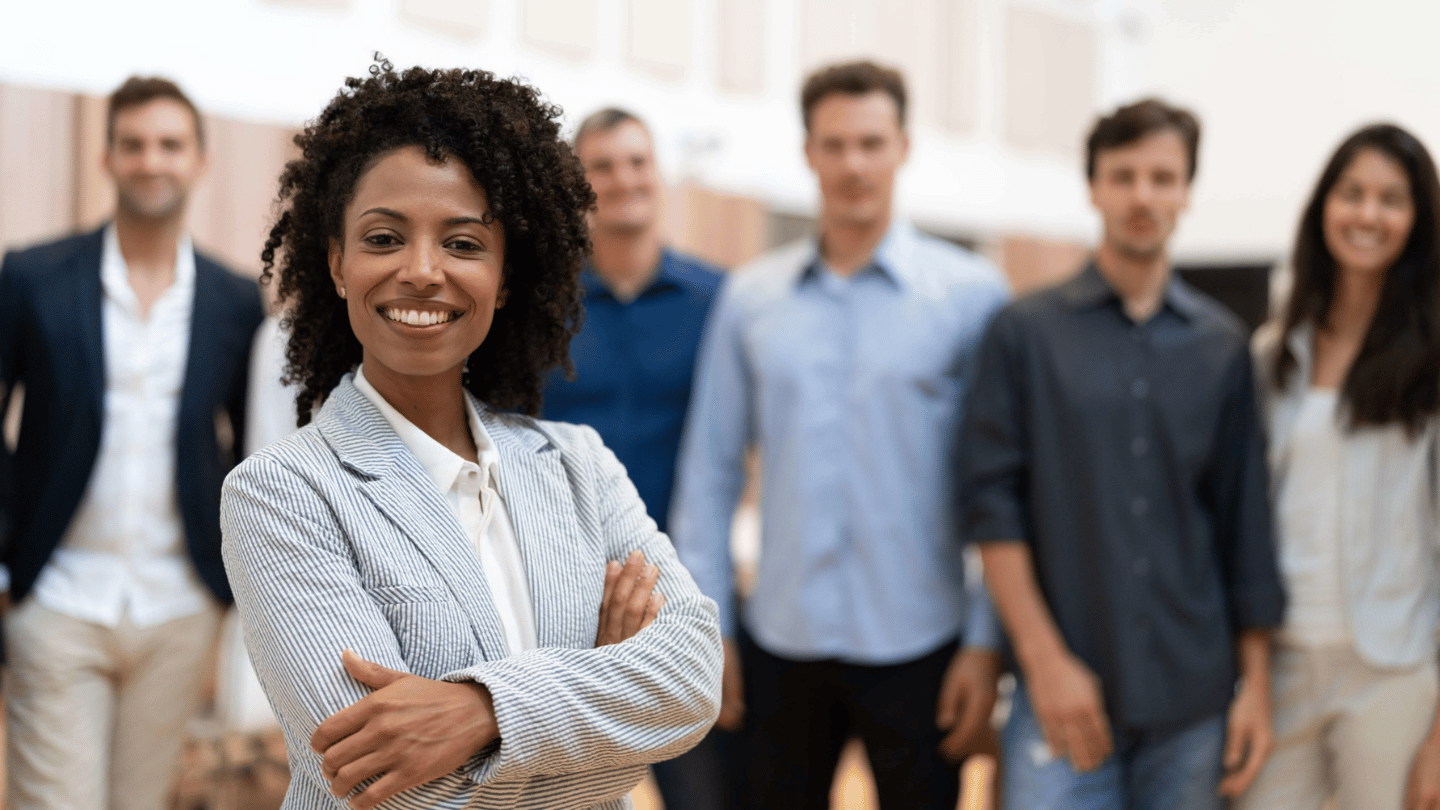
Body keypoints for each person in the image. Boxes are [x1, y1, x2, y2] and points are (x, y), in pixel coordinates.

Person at [220, 60, 723, 810]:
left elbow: (693, 675)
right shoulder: (281, 495)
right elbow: (389, 790)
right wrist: (615, 724)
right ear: (336, 263)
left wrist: (481, 712)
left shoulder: (579, 464)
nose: (423, 272)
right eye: (385, 238)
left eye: (462, 243)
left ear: (506, 275)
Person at [671, 59, 1008, 809]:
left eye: (871, 142)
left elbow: (1002, 489)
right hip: (779, 643)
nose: (854, 163)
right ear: (809, 153)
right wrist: (708, 628)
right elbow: (711, 473)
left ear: (904, 146)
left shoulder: (972, 298)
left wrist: (986, 643)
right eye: (835, 144)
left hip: (923, 643)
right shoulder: (750, 299)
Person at [958, 97, 1285, 810]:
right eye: (1124, 175)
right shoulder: (1023, 334)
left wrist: (1255, 689)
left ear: (1187, 191)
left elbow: (1245, 528)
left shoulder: (1224, 348)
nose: (1144, 195)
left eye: (1163, 178)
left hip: (1193, 704)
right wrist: (1045, 666)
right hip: (1061, 691)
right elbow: (991, 509)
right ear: (1094, 186)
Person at [0, 76, 264, 810]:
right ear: (107, 157)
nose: (153, 160)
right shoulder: (33, 277)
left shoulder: (234, 300)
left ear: (199, 161)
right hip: (56, 596)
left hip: (179, 607)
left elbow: (251, 450)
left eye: (170, 145)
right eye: (135, 144)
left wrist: (231, 590)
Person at [1238, 123, 1440, 810]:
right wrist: (1251, 671)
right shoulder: (1272, 355)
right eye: (1351, 193)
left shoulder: (1432, 364)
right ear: (1323, 205)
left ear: (1417, 220)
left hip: (1392, 669)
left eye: (1391, 199)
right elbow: (1247, 518)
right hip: (1282, 661)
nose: (1368, 214)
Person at [542, 108, 732, 809]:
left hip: (682, 592)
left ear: (658, 173)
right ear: (578, 184)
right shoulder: (543, 306)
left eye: (637, 162)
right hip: (565, 599)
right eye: (603, 166)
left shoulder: (717, 300)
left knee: (702, 793)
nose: (623, 179)